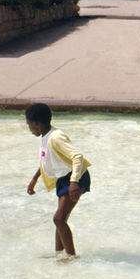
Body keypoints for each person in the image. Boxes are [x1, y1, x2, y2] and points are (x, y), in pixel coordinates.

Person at [24, 102, 91, 257]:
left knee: (59, 219)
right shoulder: (45, 136)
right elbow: (45, 160)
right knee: (60, 219)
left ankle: (72, 257)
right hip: (64, 179)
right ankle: (59, 255)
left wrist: (74, 182)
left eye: (29, 125)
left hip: (75, 177)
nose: (29, 128)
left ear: (36, 123)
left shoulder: (56, 137)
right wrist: (34, 179)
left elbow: (77, 156)